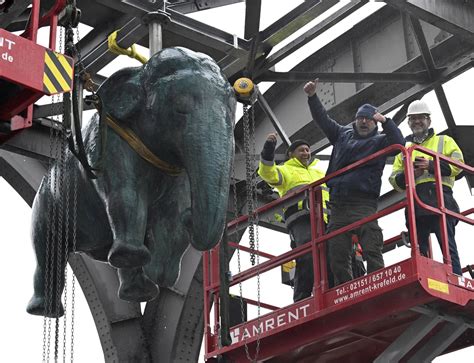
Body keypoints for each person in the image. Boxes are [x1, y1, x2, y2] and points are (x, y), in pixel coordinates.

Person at [303, 79, 405, 286]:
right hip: (338, 204)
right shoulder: (342, 134)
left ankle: (376, 281)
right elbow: (323, 119)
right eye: (360, 118)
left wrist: (386, 121)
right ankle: (345, 288)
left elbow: (399, 144)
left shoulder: (380, 140)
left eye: (368, 119)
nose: (364, 122)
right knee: (337, 251)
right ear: (355, 120)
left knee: (371, 245)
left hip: (363, 202)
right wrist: (312, 97)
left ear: (374, 122)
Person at [389, 100, 464, 275]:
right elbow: (394, 180)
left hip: (441, 198)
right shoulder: (404, 149)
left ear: (429, 120)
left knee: (448, 246)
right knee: (419, 249)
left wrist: (431, 165)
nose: (417, 122)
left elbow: (458, 165)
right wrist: (410, 174)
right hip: (417, 201)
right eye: (413, 119)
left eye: (421, 118)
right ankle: (424, 277)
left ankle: (456, 278)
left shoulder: (444, 141)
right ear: (408, 122)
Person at [258, 134, 330, 302]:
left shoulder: (318, 170)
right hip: (301, 218)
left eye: (307, 150)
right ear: (291, 154)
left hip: (325, 218)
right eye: (301, 150)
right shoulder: (286, 170)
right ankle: (302, 298)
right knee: (307, 256)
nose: (306, 153)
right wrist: (269, 149)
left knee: (330, 255)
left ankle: (333, 291)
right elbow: (267, 172)